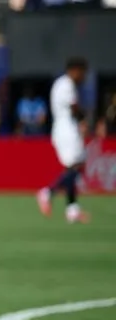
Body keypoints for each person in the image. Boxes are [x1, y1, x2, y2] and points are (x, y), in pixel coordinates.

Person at [37, 57, 91, 224]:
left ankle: (72, 210)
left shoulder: (62, 83)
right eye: (82, 72)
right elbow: (73, 108)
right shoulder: (66, 84)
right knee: (76, 166)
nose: (84, 77)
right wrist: (84, 118)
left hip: (65, 128)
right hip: (66, 129)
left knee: (73, 168)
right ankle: (48, 192)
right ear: (75, 70)